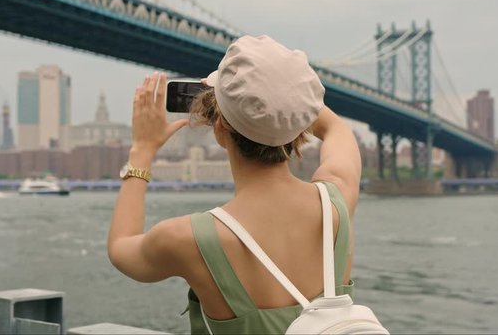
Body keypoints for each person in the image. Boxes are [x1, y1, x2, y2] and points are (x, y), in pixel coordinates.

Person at [108, 35, 362, 334]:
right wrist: (284, 98)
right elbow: (336, 128)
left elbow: (120, 249)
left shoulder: (188, 238)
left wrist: (143, 149)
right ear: (299, 122)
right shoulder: (336, 200)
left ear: (219, 128)